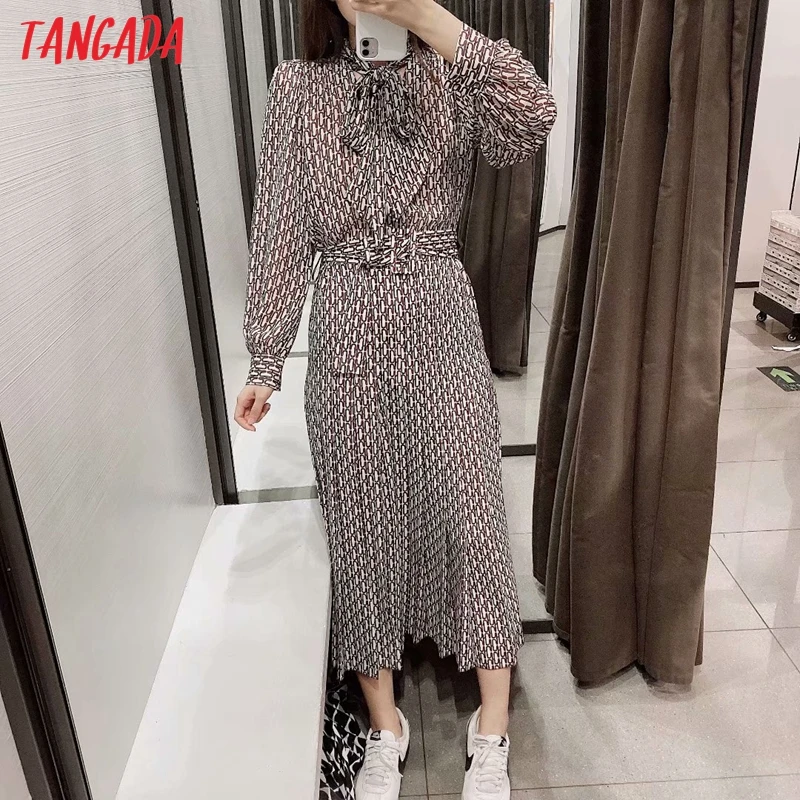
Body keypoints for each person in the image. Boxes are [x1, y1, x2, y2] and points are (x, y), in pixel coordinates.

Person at [234, 1, 556, 797]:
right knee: (362, 526)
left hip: (439, 312)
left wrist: (433, 22)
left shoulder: (451, 70)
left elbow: (532, 116)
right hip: (345, 315)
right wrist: (266, 356)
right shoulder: (297, 86)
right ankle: (385, 725)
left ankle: (492, 728)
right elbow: (280, 224)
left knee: (473, 512)